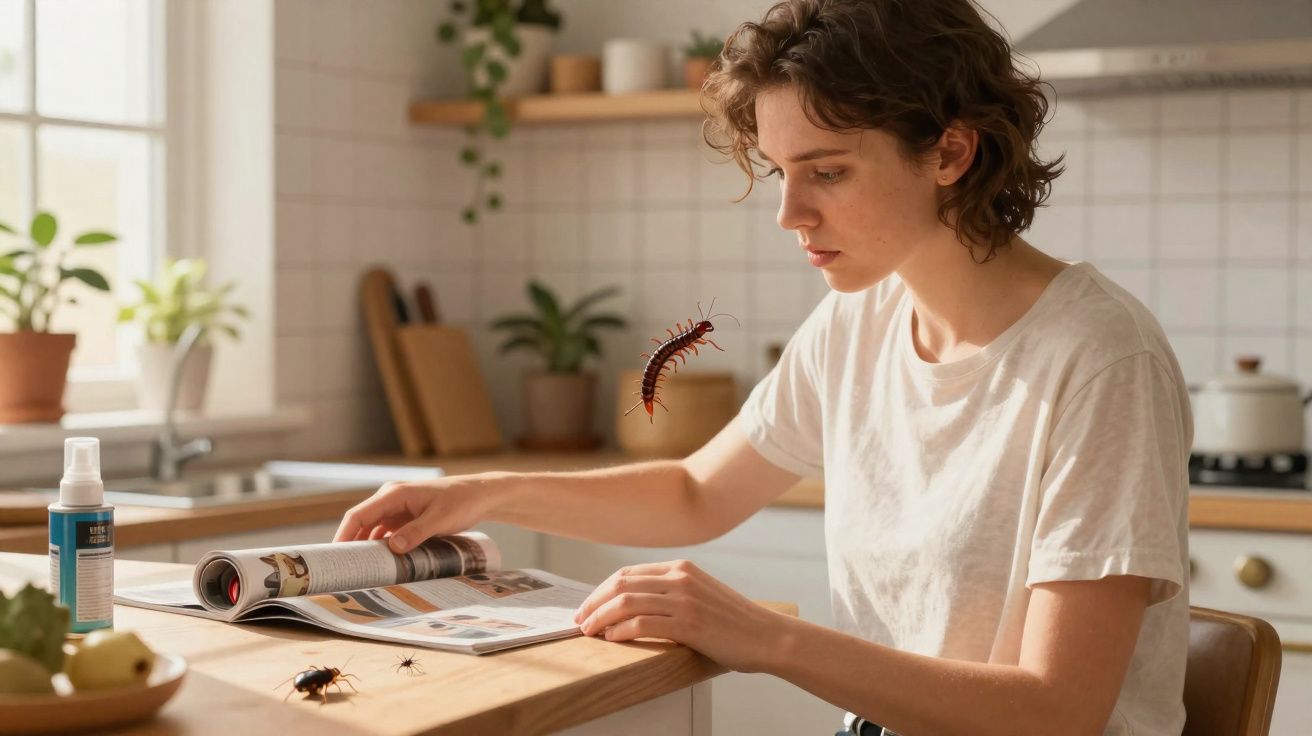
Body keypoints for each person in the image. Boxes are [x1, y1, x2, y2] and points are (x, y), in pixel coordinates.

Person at [335, 1, 1191, 733]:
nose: (789, 212)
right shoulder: (859, 320)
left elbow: (1057, 712)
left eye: (828, 172)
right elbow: (695, 492)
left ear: (950, 153)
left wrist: (763, 637)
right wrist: (481, 493)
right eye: (781, 171)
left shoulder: (1099, 357)